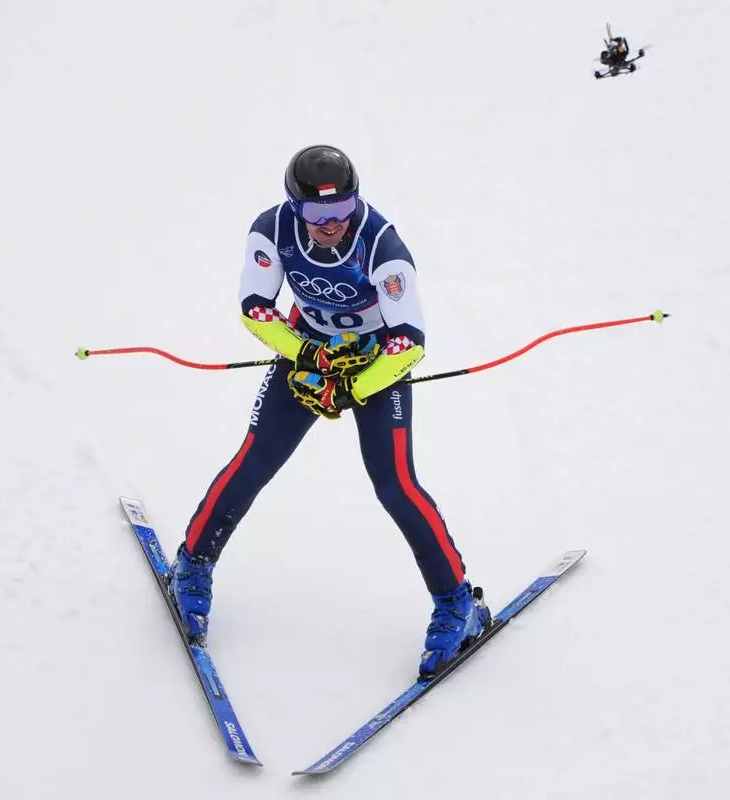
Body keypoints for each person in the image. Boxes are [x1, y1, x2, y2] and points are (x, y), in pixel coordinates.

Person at [169, 144, 490, 677]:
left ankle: (458, 603)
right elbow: (255, 307)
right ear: (295, 206)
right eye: (318, 215)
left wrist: (353, 386)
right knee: (255, 461)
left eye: (341, 212)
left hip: (377, 359)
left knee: (396, 485)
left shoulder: (382, 245)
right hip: (310, 347)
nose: (331, 225)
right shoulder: (271, 229)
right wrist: (308, 356)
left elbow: (409, 342)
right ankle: (194, 561)